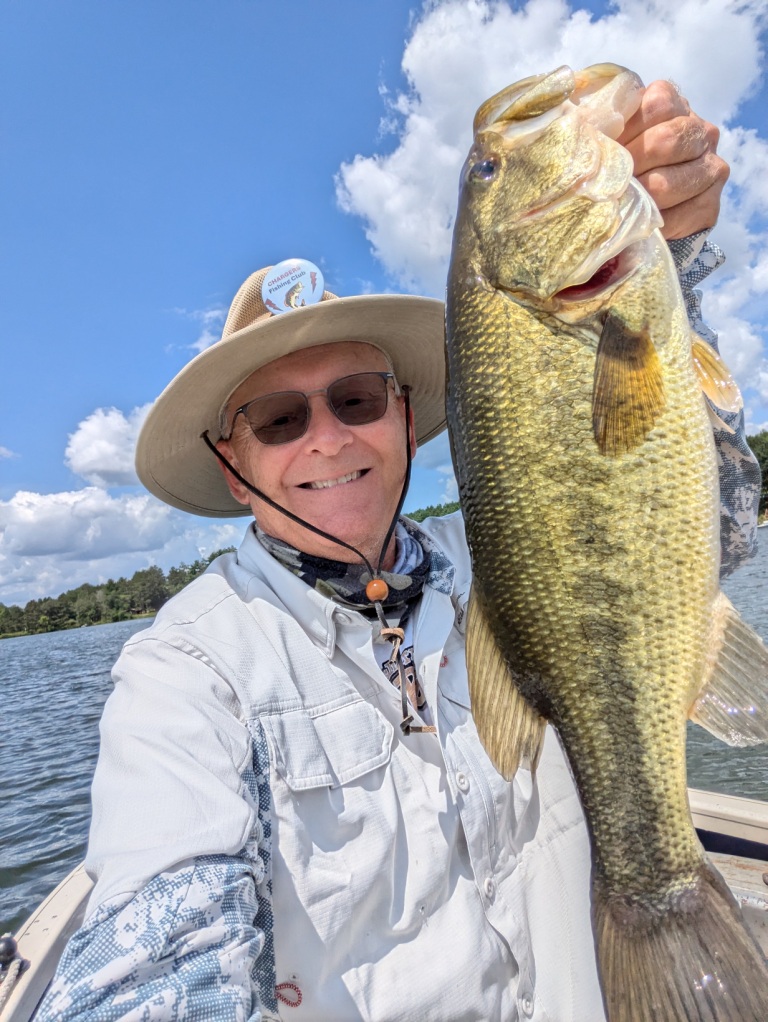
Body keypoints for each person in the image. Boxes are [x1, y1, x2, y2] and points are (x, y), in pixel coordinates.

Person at [37, 81, 759, 1022]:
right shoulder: (186, 672)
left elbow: (721, 522)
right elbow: (155, 958)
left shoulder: (496, 556)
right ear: (231, 459)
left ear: (406, 414)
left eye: (359, 397)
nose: (328, 437)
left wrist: (671, 268)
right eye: (279, 416)